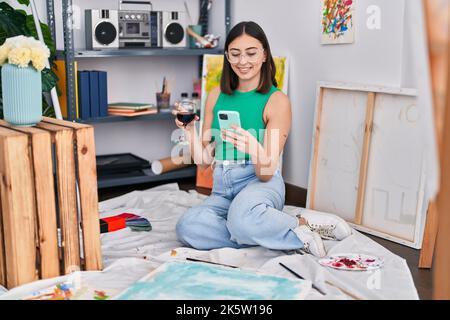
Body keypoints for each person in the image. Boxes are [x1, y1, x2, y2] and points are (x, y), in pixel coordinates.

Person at [174, 21, 351, 257]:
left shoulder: (277, 101)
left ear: (265, 54)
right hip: (222, 190)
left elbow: (266, 172)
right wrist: (189, 129)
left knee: (241, 218)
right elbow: (204, 161)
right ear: (227, 56)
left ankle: (296, 231)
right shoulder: (217, 95)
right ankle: (277, 226)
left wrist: (254, 148)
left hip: (260, 184)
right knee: (188, 227)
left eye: (251, 53)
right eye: (235, 54)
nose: (242, 61)